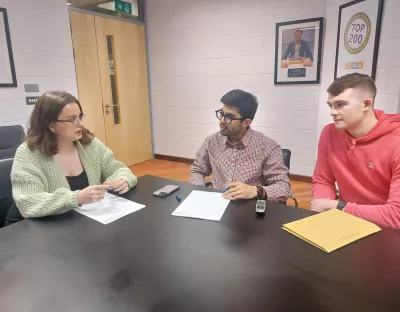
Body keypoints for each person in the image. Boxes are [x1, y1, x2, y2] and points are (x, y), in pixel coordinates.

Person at [8, 91, 137, 222]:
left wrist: (123, 179)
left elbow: (118, 169)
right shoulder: (28, 153)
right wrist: (76, 198)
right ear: (50, 125)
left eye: (80, 117)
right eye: (71, 120)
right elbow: (27, 202)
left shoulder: (89, 143)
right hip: (35, 227)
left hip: (78, 222)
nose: (80, 124)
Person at [311, 73, 400, 229]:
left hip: (386, 228)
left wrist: (337, 206)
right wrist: (324, 208)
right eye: (330, 105)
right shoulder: (329, 133)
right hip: (345, 219)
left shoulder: (396, 141)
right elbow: (323, 180)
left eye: (340, 104)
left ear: (366, 104)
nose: (332, 112)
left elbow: (397, 215)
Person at [189, 89, 290, 202]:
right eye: (221, 114)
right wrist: (200, 192)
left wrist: (255, 191)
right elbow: (198, 170)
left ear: (246, 122)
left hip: (250, 209)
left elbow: (283, 187)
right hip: (218, 205)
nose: (222, 120)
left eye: (229, 117)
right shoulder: (212, 141)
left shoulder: (268, 147)